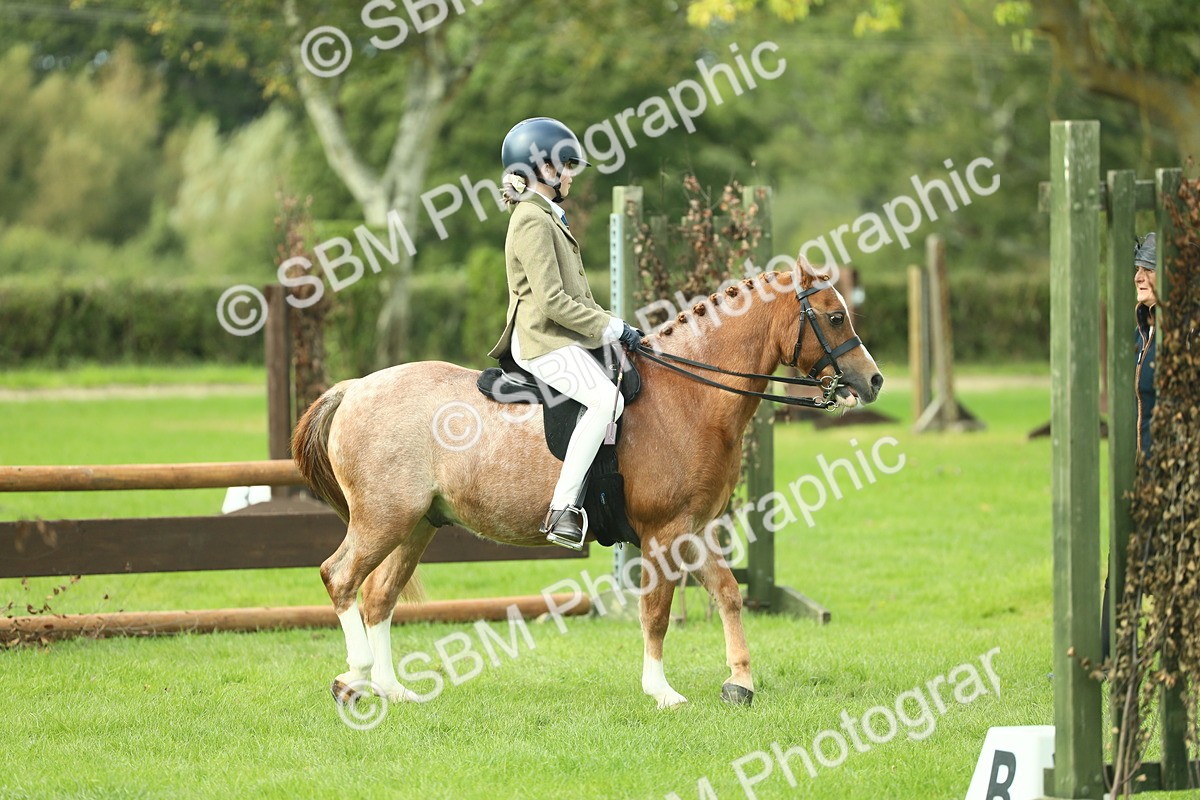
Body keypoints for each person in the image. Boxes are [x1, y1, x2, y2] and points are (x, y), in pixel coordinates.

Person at [487, 117, 642, 550]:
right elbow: (553, 301)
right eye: (567, 165)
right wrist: (611, 327)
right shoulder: (532, 220)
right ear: (544, 169)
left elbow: (580, 296)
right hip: (542, 339)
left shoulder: (548, 216)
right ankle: (563, 509)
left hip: (564, 335)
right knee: (605, 399)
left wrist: (617, 325)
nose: (571, 174)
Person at [1133, 232, 1158, 457]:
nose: (1138, 277)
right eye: (1138, 269)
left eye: (1148, 270)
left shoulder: (1189, 332)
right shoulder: (1139, 335)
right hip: (1143, 470)